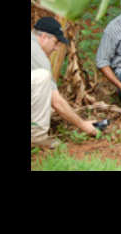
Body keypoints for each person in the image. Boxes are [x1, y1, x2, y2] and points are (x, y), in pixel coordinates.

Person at [31, 17, 98, 149]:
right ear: (44, 37)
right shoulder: (37, 53)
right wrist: (83, 125)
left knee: (45, 104)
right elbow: (57, 102)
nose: (56, 49)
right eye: (55, 43)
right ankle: (36, 137)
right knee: (42, 77)